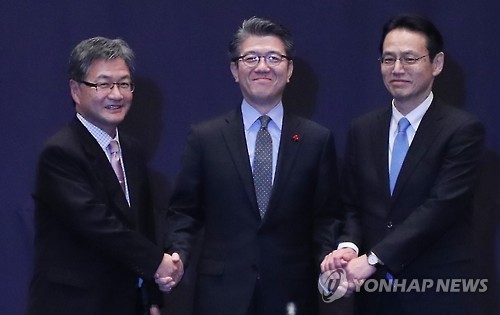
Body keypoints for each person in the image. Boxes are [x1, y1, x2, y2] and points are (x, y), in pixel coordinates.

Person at [158, 17, 339, 315]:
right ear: (234, 69)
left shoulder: (316, 140)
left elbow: (327, 217)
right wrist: (177, 255)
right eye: (251, 58)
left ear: (290, 69)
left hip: (292, 294)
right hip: (221, 295)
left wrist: (327, 262)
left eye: (273, 58)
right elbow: (184, 212)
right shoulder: (206, 137)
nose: (262, 66)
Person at [320, 15, 485, 314]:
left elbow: (440, 208)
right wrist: (348, 247)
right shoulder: (363, 129)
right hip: (375, 295)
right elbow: (352, 205)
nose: (397, 69)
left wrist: (372, 259)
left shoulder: (462, 130)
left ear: (436, 63)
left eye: (410, 58)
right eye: (388, 59)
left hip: (439, 291)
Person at [27, 37, 183, 315]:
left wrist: (152, 297)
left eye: (124, 84)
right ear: (76, 90)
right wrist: (157, 262)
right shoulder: (60, 153)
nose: (116, 94)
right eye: (103, 84)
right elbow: (100, 226)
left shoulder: (132, 150)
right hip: (74, 306)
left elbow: (143, 228)